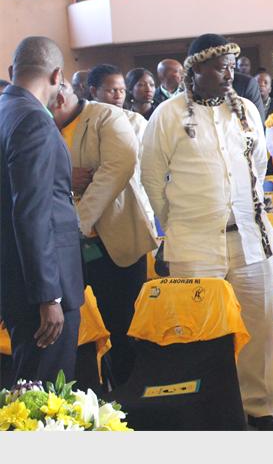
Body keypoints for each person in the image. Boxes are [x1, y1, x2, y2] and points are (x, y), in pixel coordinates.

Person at [141, 33, 273, 431]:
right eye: (220, 68)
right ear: (195, 69)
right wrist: (179, 222)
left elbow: (259, 165)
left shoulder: (247, 111)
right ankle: (213, 411)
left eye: (232, 67)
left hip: (251, 239)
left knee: (258, 327)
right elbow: (151, 179)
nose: (229, 74)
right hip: (194, 244)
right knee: (202, 333)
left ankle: (259, 409)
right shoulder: (167, 115)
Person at [50, 81, 157, 386]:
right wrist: (62, 177)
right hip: (65, 250)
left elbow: (117, 168)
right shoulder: (40, 125)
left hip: (114, 245)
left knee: (123, 327)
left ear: (60, 94)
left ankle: (128, 395)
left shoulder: (104, 117)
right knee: (73, 327)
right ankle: (88, 395)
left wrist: (76, 223)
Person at [0, 36, 84, 384]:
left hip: (15, 275)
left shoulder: (6, 109)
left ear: (12, 71)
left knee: (30, 387)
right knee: (46, 394)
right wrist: (48, 295)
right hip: (42, 286)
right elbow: (32, 213)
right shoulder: (34, 120)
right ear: (57, 76)